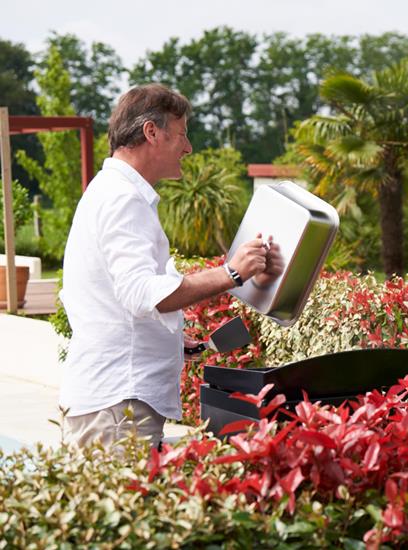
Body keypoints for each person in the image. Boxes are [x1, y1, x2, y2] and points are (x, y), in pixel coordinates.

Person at [59, 83, 284, 448]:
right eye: (181, 135)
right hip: (118, 407)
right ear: (151, 132)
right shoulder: (123, 198)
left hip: (109, 401)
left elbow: (117, 299)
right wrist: (233, 273)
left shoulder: (111, 191)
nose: (188, 147)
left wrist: (170, 339)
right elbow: (141, 293)